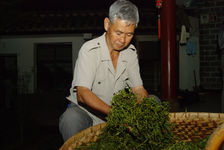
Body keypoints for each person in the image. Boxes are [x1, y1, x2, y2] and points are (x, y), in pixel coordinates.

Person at [59, 0, 152, 142]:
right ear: (107, 24)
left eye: (129, 35)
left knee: (153, 102)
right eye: (119, 32)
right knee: (70, 119)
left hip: (117, 111)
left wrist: (138, 109)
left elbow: (138, 89)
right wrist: (116, 115)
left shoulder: (130, 53)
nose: (123, 40)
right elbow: (83, 94)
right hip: (88, 113)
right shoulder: (89, 50)